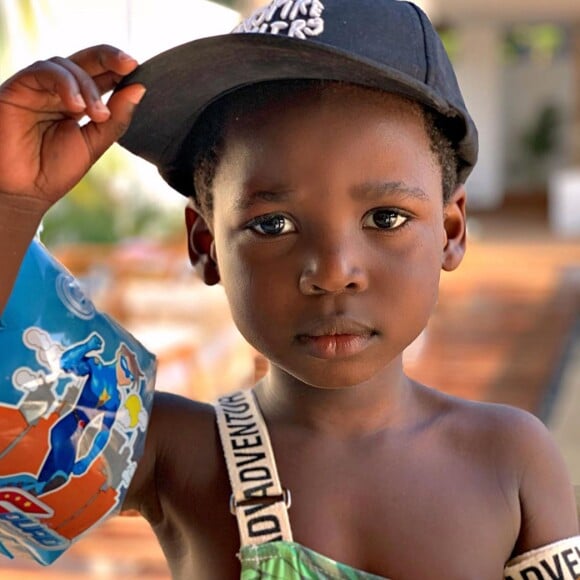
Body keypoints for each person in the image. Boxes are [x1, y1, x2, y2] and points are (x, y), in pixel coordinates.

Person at [0, 0, 578, 578]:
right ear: (205, 244)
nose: (332, 270)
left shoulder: (510, 459)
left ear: (450, 232)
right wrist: (10, 202)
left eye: (386, 218)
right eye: (272, 225)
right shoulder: (178, 453)